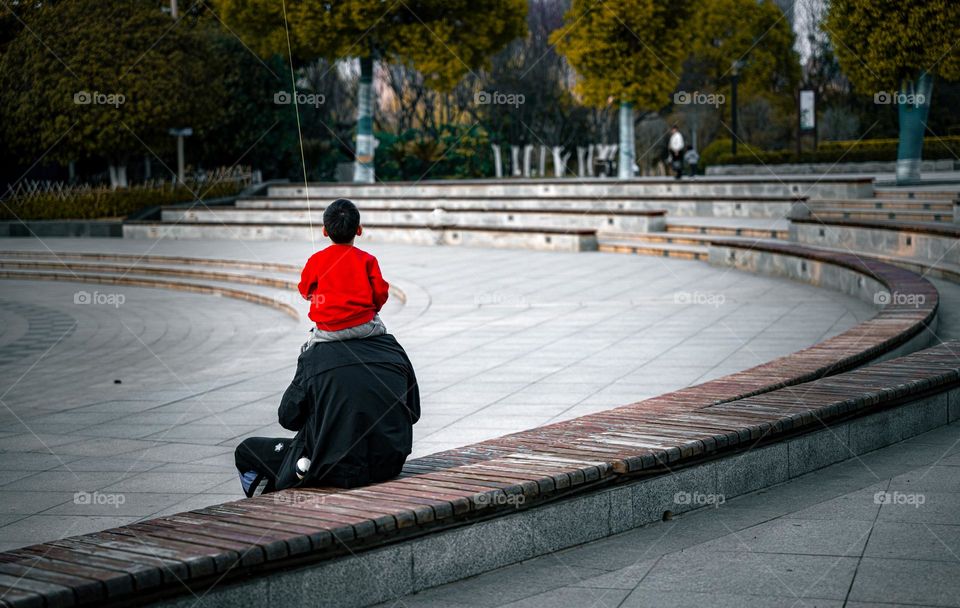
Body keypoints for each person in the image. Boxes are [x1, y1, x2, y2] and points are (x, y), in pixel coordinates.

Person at [234, 331, 420, 495]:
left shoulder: (314, 356)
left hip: (333, 467)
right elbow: (414, 413)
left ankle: (272, 513)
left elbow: (288, 418)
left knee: (246, 451)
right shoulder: (392, 347)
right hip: (389, 464)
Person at [297, 198, 390, 353]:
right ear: (359, 230)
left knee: (305, 352)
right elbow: (381, 293)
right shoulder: (368, 259)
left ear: (324, 231)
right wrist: (371, 310)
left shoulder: (315, 260)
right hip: (364, 327)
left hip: (327, 332)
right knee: (387, 344)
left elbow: (305, 291)